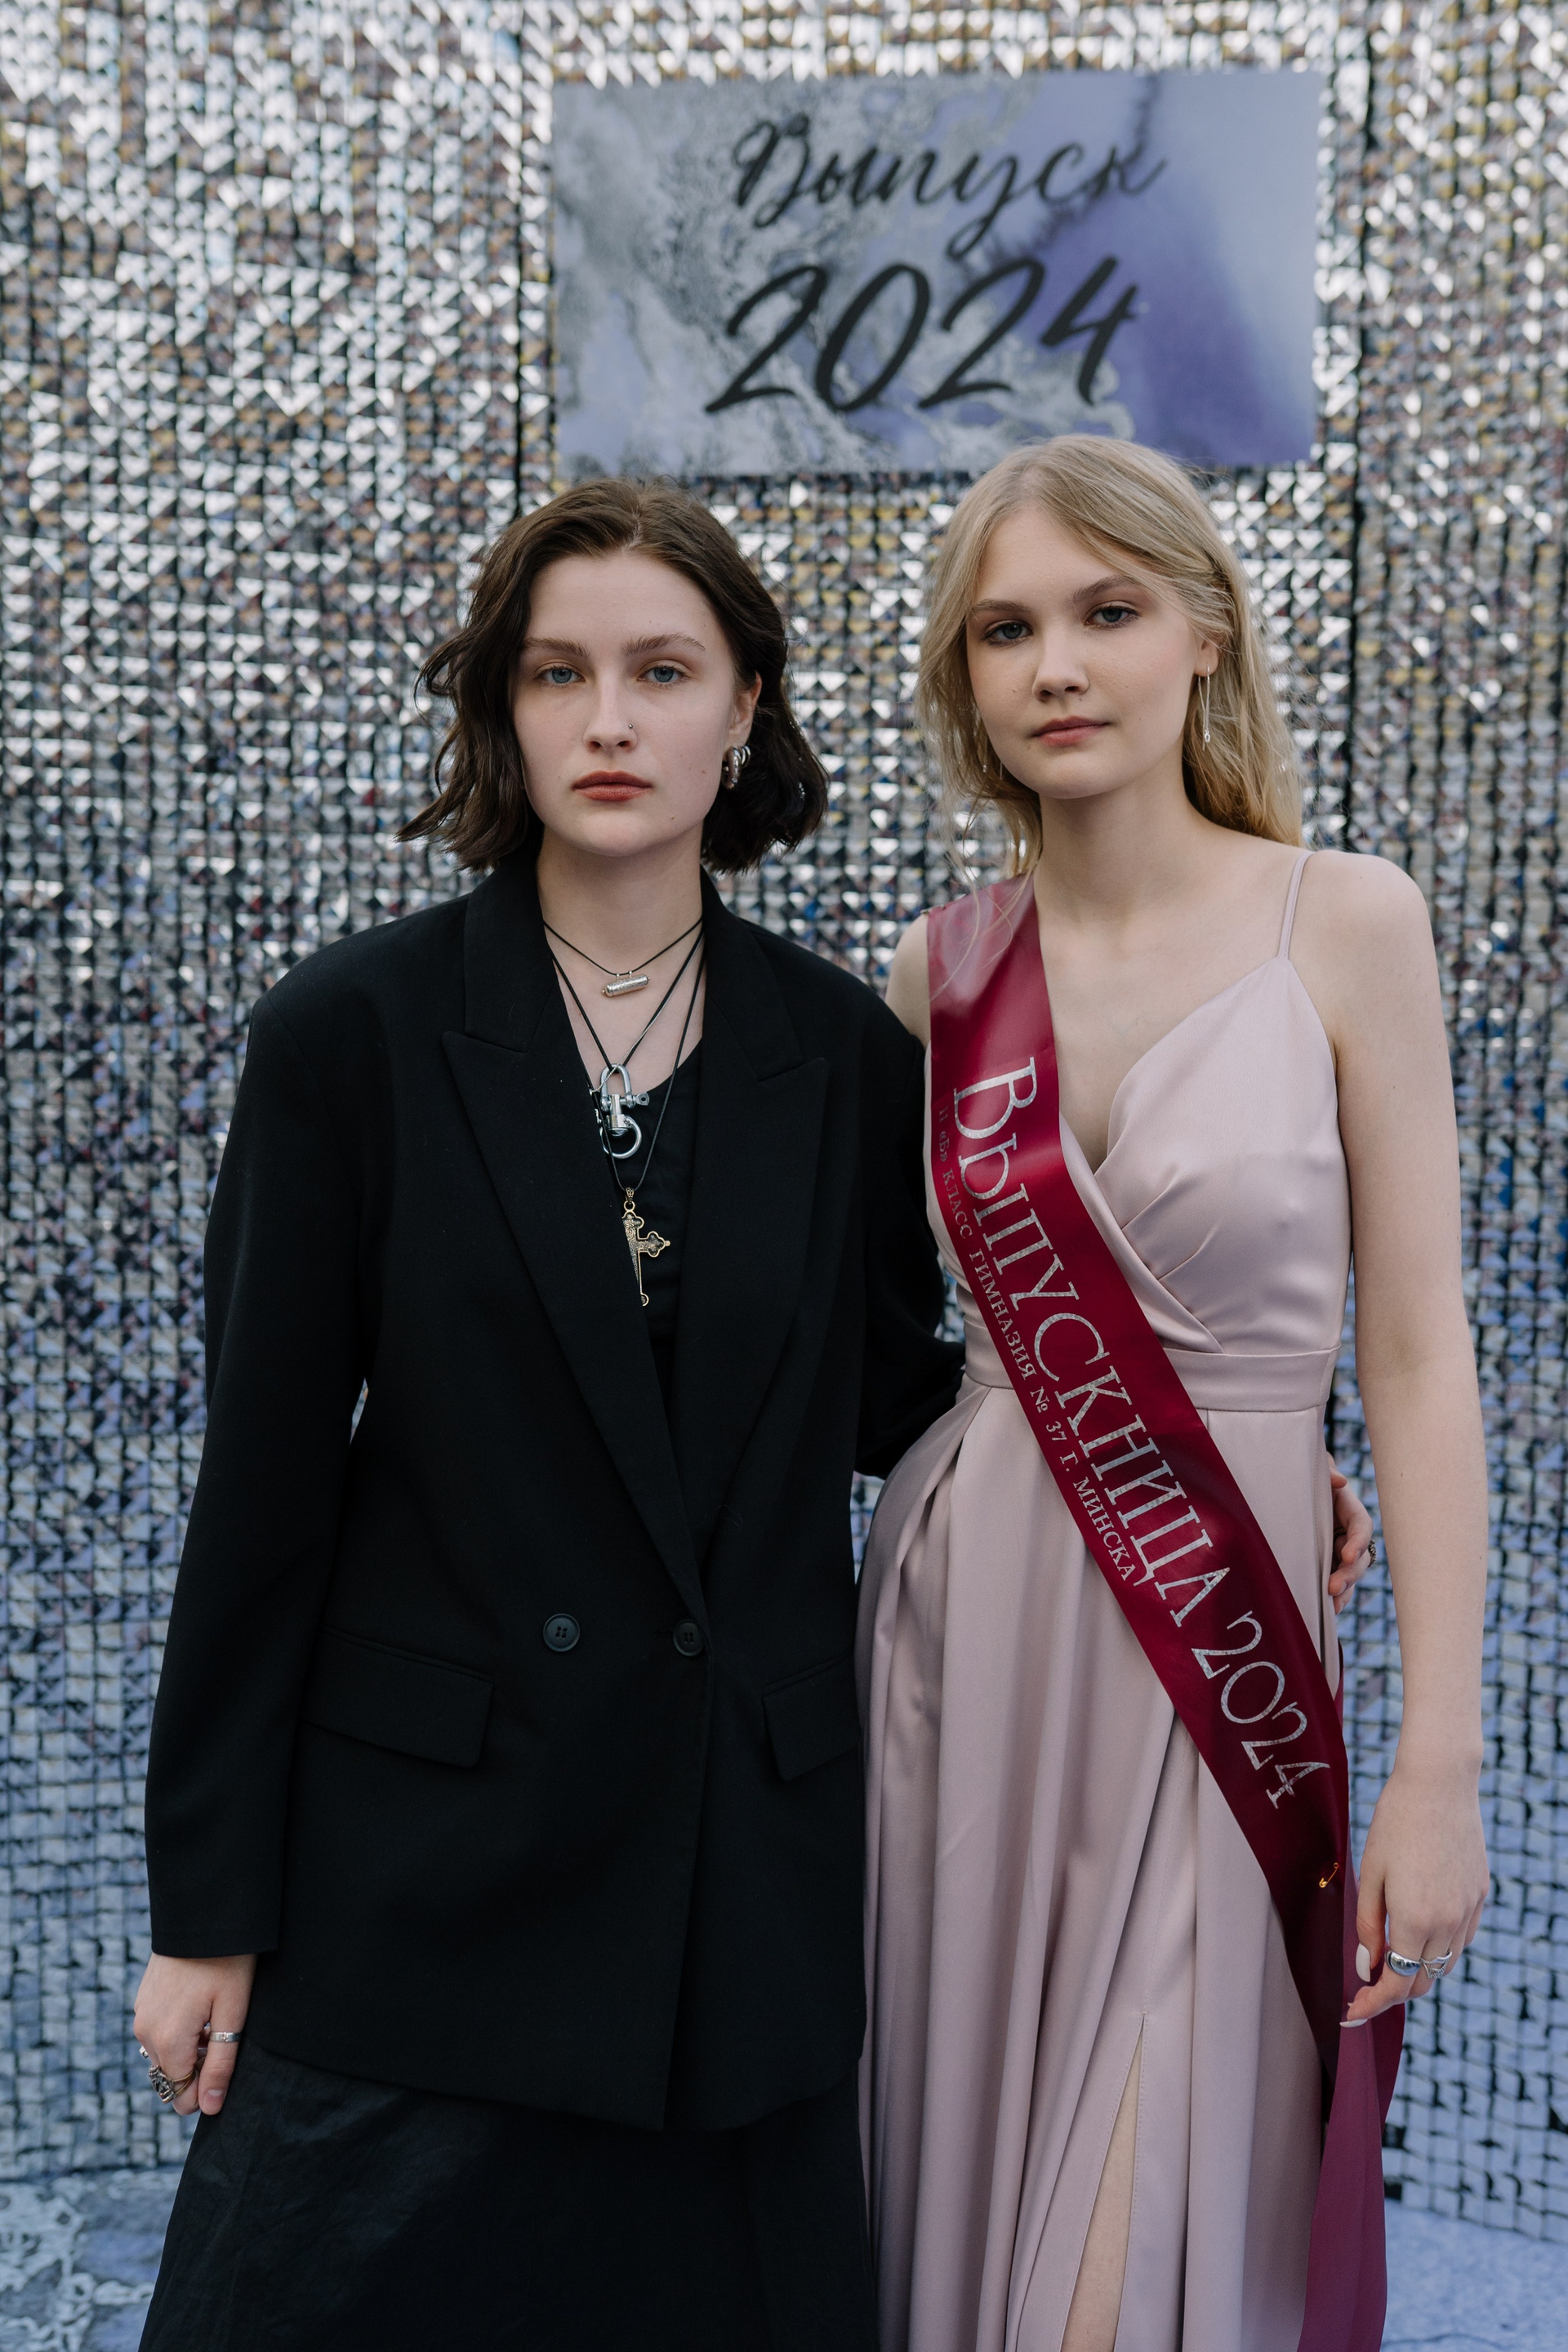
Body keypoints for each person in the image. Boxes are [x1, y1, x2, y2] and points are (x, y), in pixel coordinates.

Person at [131, 477, 967, 2350]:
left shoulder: (847, 1056)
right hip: (422, 1875)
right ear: (502, 710)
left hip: (729, 1890)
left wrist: (1196, 1454)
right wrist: (208, 1909)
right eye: (557, 671)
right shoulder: (351, 1036)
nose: (609, 718)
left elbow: (904, 1405)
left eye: (662, 670)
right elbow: (259, 1500)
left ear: (744, 707)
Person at [858, 437, 1489, 2352]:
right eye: (1006, 631)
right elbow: (878, 1347)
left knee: (1130, 2267)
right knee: (939, 2201)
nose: (1058, 665)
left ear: (1205, 632)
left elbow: (1419, 1357)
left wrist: (1441, 1765)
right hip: (968, 1637)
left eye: (1108, 611)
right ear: (966, 681)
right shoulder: (936, 973)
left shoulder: (1346, 921)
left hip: (1224, 1642)